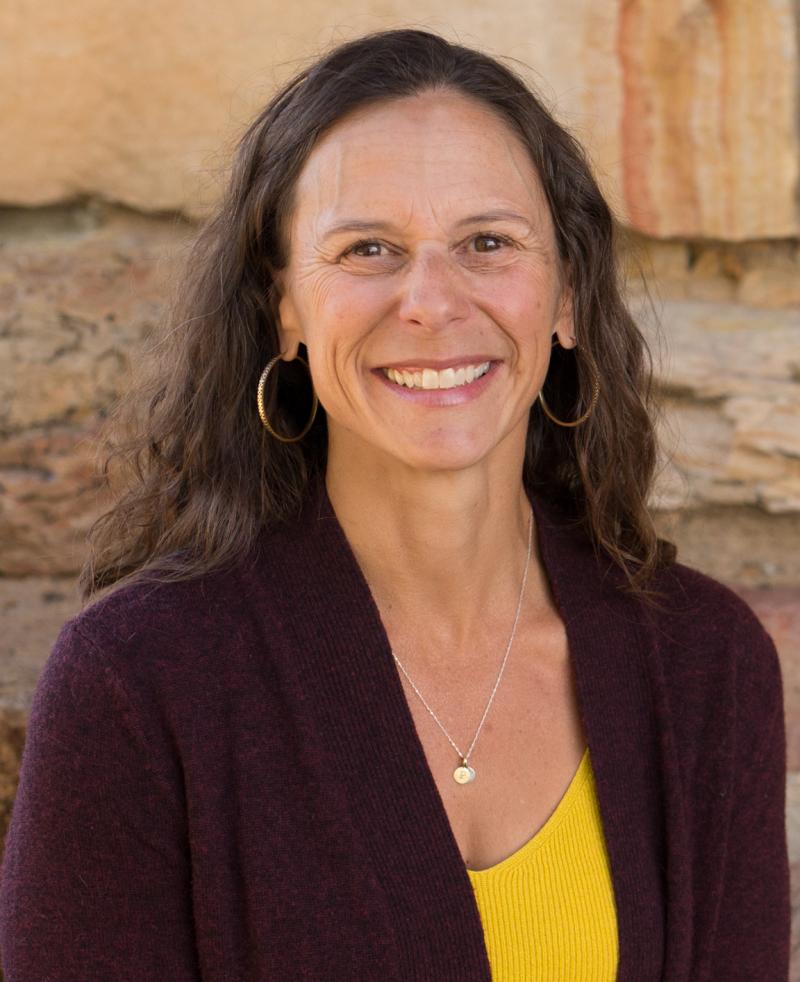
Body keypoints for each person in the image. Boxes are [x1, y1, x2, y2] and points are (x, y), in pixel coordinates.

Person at [0, 28, 790, 982]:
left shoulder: (704, 662)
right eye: (367, 248)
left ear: (567, 294)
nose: (430, 300)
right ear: (284, 305)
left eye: (487, 243)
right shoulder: (136, 686)